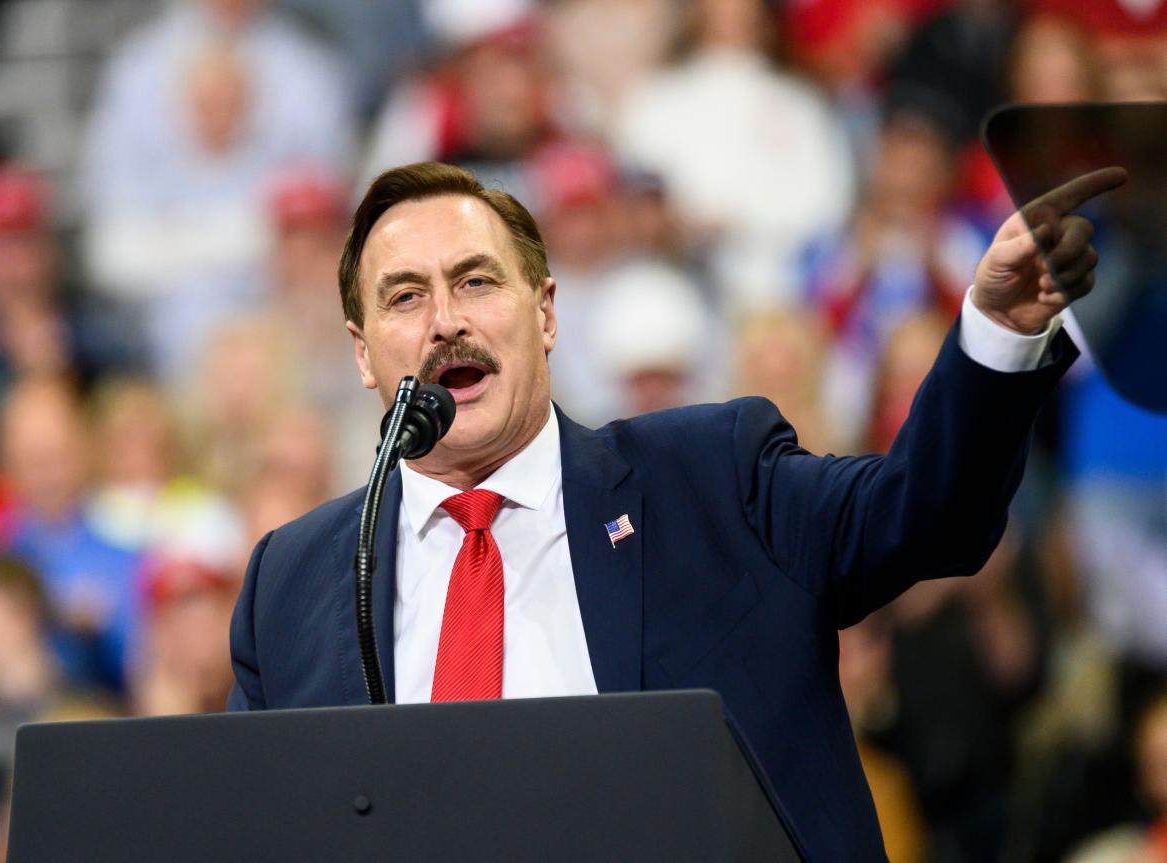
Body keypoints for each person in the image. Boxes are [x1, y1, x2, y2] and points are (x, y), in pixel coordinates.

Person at [227, 161, 1124, 859]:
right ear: (361, 352)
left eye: (476, 281)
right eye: (405, 296)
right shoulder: (293, 580)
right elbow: (250, 829)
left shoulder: (711, 481)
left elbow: (926, 513)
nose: (444, 323)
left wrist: (996, 331)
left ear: (544, 312)